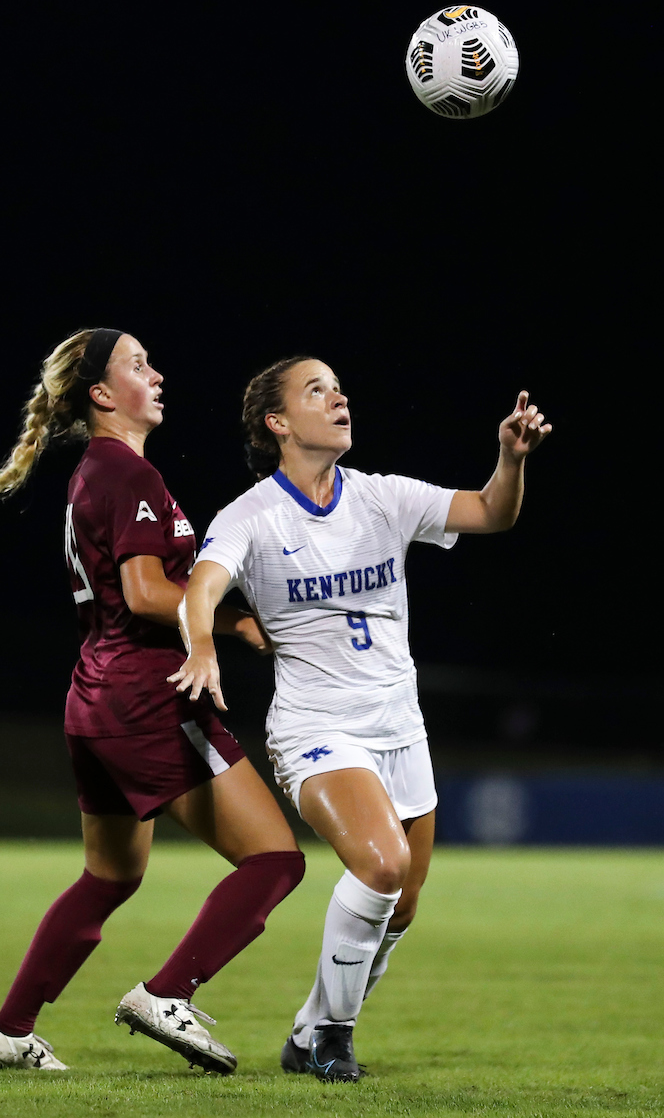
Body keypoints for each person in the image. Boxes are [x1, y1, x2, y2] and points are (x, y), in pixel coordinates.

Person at [169, 355, 552, 1082]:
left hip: (400, 728)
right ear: (278, 423)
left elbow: (491, 512)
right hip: (317, 729)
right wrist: (202, 646)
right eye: (316, 390)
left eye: (339, 387)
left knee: (400, 906)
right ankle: (333, 1037)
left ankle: (307, 1031)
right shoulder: (251, 516)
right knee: (381, 865)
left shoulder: (382, 497)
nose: (338, 397)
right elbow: (201, 589)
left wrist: (510, 459)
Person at [0, 328, 305, 1075]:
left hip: (96, 697)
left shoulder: (98, 472)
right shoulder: (126, 474)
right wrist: (232, 622)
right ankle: (166, 994)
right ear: (103, 394)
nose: (157, 374)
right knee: (275, 860)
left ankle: (8, 1031)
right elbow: (143, 594)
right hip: (147, 696)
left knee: (110, 877)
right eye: (139, 365)